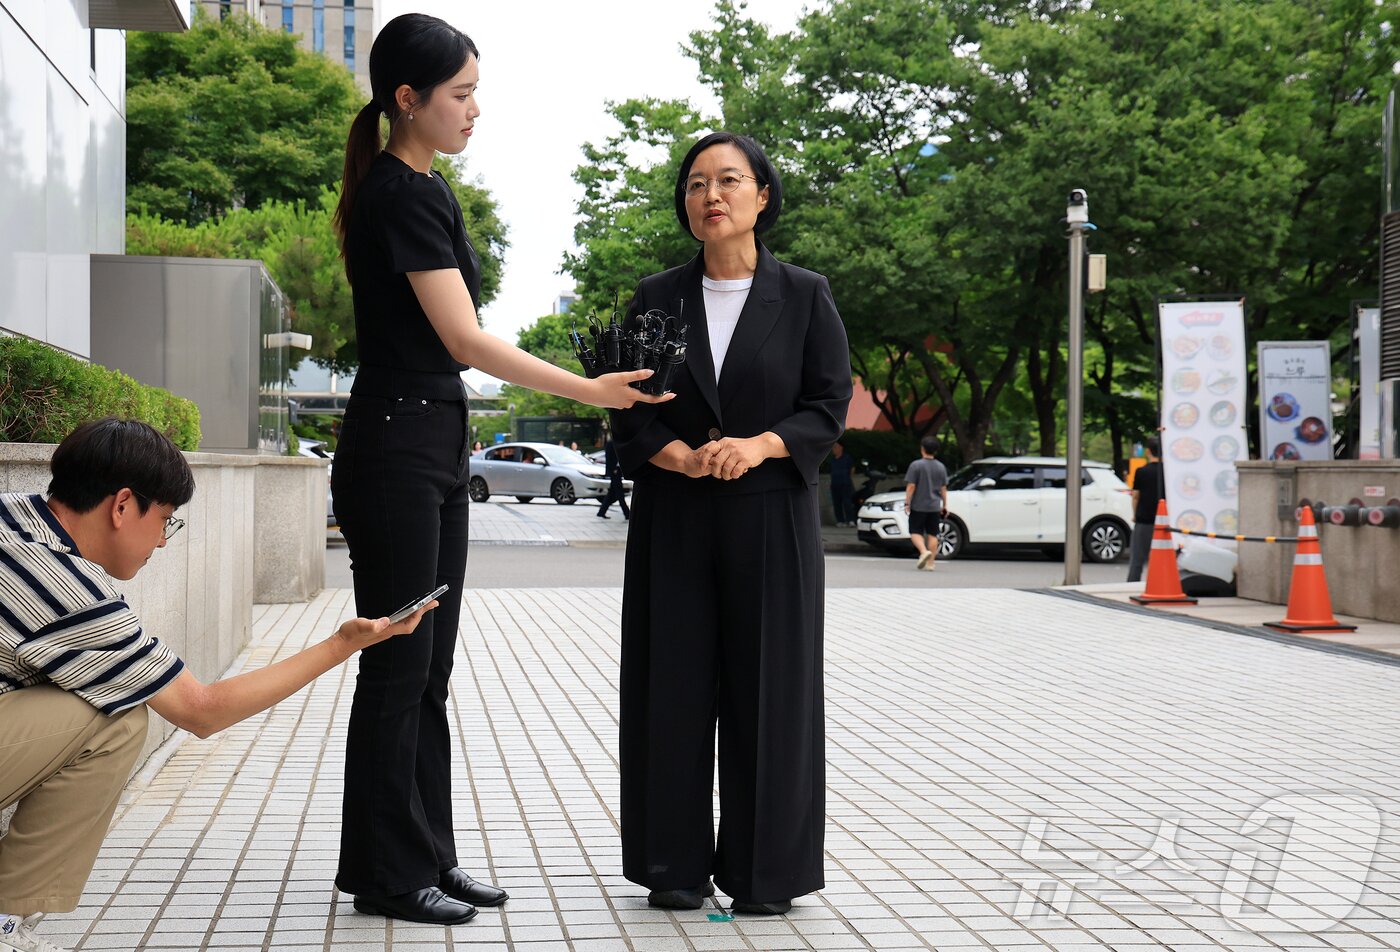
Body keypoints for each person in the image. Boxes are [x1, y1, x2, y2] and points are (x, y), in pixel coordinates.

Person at [330, 14, 670, 927]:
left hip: (432, 441)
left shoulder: (427, 189)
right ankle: (385, 874)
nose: (476, 109)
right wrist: (591, 390)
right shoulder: (399, 194)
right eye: (462, 93)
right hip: (398, 444)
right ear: (408, 99)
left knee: (428, 669)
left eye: (476, 91)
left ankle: (424, 855)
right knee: (399, 665)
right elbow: (464, 339)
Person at [0, 419, 437, 952]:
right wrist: (342, 644)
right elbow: (201, 710)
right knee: (115, 720)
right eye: (165, 519)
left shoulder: (13, 515)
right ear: (122, 506)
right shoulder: (68, 590)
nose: (163, 540)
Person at [610, 132, 852, 917]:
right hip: (674, 516)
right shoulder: (655, 298)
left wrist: (761, 444)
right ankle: (672, 865)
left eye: (728, 180)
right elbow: (626, 408)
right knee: (670, 684)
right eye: (695, 183)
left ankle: (764, 873)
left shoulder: (805, 294)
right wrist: (676, 455)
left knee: (771, 690)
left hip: (771, 514)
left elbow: (828, 403)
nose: (710, 195)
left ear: (762, 195)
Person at [904, 436, 949, 571]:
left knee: (915, 531)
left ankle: (923, 551)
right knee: (933, 534)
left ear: (922, 449)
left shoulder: (916, 465)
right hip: (934, 506)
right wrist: (945, 505)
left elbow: (911, 486)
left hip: (919, 505)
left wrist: (907, 502)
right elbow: (943, 488)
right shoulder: (941, 467)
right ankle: (931, 563)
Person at [1127, 437, 1164, 583]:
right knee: (1161, 558)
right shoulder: (1167, 472)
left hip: (1144, 520)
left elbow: (1136, 496)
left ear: (1148, 451)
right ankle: (1159, 585)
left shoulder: (1141, 471)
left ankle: (1131, 586)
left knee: (1137, 560)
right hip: (1164, 522)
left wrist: (1135, 514)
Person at [596, 436, 630, 520]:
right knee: (619, 493)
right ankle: (627, 513)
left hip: (618, 471)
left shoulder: (619, 443)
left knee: (611, 493)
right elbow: (608, 458)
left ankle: (601, 512)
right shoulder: (611, 443)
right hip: (614, 472)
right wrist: (613, 469)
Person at [829, 441, 855, 526]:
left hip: (845, 484)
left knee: (847, 502)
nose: (834, 449)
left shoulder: (847, 458)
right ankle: (840, 521)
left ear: (841, 447)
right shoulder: (833, 460)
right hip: (835, 485)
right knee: (837, 503)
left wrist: (848, 479)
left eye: (835, 447)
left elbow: (852, 469)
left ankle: (850, 520)